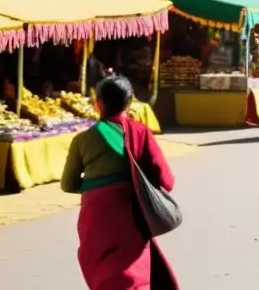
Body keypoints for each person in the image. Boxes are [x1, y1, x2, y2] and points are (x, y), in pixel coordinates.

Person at [61, 75, 179, 289]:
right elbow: (166, 180)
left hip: (95, 215)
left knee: (103, 269)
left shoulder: (82, 140)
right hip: (131, 214)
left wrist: (96, 184)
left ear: (99, 103)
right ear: (130, 103)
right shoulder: (141, 132)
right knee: (132, 268)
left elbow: (67, 184)